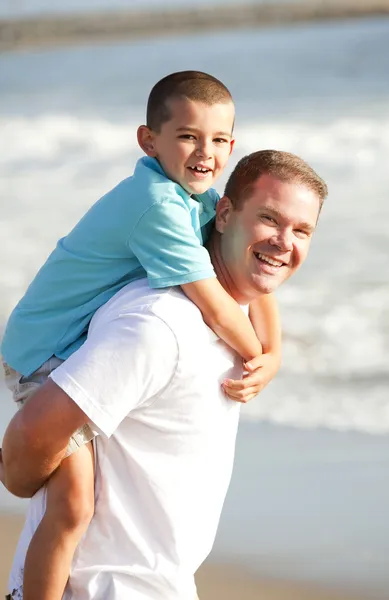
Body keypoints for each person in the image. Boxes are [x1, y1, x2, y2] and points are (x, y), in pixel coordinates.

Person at [0, 71, 281, 600]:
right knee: (73, 504)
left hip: (73, 341)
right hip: (43, 351)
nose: (206, 151)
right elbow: (219, 308)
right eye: (188, 136)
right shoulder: (154, 203)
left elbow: (254, 284)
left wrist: (275, 355)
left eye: (219, 139)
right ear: (149, 141)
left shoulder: (196, 198)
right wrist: (253, 353)